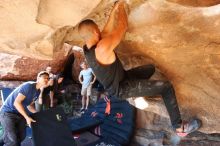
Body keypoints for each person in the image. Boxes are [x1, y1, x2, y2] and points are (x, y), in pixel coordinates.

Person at [78, 0, 201, 137]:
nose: (100, 31)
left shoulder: (88, 48)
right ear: (95, 32)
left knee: (150, 69)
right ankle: (178, 127)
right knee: (166, 87)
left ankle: (139, 92)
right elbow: (123, 27)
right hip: (122, 88)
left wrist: (116, 8)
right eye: (98, 30)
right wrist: (124, 6)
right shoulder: (102, 48)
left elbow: (106, 30)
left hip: (123, 78)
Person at [0, 71, 49, 146]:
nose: (47, 80)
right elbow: (16, 103)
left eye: (48, 78)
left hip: (19, 114)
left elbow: (29, 106)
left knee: (21, 137)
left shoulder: (38, 92)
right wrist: (27, 117)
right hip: (7, 113)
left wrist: (39, 115)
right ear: (38, 78)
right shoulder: (29, 86)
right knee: (13, 141)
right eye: (44, 78)